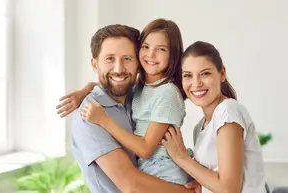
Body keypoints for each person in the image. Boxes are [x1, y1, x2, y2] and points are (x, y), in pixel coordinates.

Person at [67, 23, 197, 193]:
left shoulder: (135, 93)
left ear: (137, 62)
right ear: (95, 64)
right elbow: (131, 185)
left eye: (127, 58)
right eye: (109, 59)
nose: (119, 69)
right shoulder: (90, 116)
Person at [161, 41, 266, 193]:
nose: (196, 83)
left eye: (205, 73)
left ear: (222, 73)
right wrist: (203, 184)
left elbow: (229, 189)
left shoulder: (228, 112)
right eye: (188, 75)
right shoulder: (200, 127)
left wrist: (181, 157)